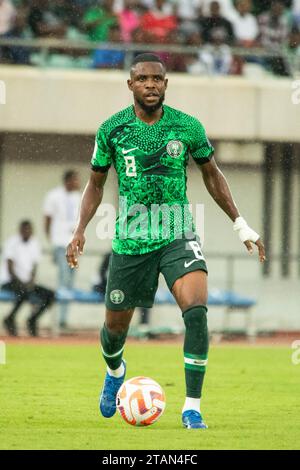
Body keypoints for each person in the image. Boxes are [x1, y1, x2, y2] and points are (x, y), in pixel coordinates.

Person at [66, 53, 265, 429]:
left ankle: (192, 407)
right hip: (131, 239)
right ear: (130, 85)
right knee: (114, 331)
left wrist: (240, 223)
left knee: (197, 312)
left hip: (177, 231)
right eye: (142, 79)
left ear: (166, 83)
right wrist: (80, 229)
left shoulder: (187, 127)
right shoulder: (111, 129)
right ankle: (115, 371)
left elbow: (212, 174)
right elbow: (95, 184)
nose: (150, 85)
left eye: (157, 79)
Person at [1, 220, 55, 337]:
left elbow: (34, 267)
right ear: (20, 230)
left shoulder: (35, 243)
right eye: (25, 229)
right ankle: (10, 318)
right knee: (23, 291)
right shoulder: (12, 242)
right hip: (10, 281)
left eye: (29, 229)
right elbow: (10, 269)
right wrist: (23, 284)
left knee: (50, 295)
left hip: (27, 283)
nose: (27, 232)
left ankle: (32, 319)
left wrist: (31, 281)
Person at [43, 170, 81, 329]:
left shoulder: (78, 197)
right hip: (60, 244)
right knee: (63, 279)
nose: (78, 183)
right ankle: (57, 321)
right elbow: (47, 219)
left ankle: (63, 319)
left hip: (73, 245)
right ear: (68, 181)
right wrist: (51, 241)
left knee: (70, 281)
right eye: (75, 180)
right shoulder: (53, 196)